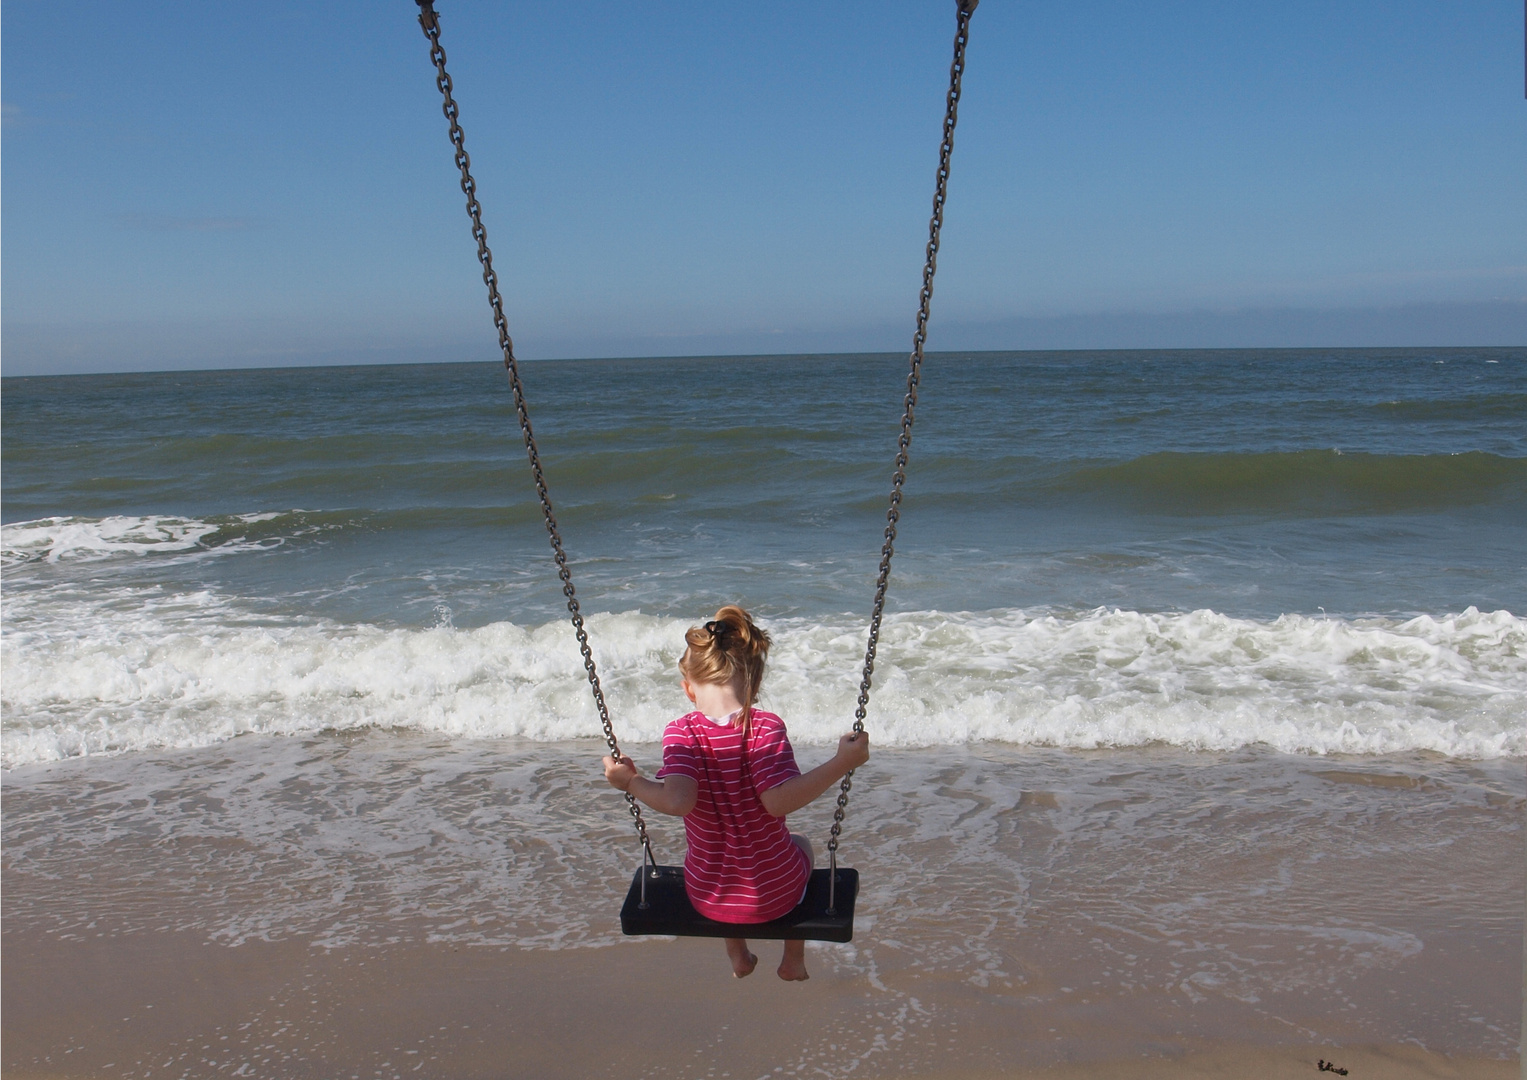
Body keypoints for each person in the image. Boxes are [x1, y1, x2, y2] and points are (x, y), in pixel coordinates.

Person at [603, 604, 870, 980]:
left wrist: (630, 782)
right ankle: (792, 959)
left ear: (688, 689)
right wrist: (841, 763)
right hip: (774, 896)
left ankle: (738, 955)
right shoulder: (765, 726)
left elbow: (679, 801)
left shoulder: (681, 733)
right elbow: (777, 801)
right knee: (802, 844)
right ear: (756, 684)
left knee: (720, 859)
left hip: (708, 897)